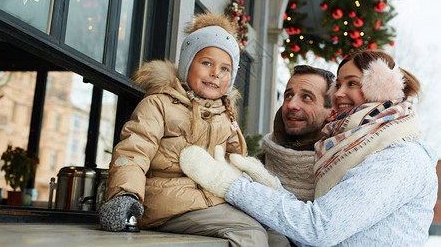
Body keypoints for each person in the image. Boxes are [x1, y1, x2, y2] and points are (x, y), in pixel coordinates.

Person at [180, 50, 438, 246]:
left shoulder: (398, 157)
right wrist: (269, 186)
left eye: (353, 83)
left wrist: (232, 186)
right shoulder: (350, 148)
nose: (338, 94)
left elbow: (319, 228)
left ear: (382, 88)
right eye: (339, 84)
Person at [98, 11, 290, 247]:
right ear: (188, 64)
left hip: (213, 200)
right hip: (168, 203)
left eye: (225, 69)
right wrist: (125, 194)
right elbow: (134, 151)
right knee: (251, 234)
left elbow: (234, 161)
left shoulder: (225, 113)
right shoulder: (160, 104)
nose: (215, 74)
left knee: (278, 234)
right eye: (207, 63)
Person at [259, 65, 335, 202]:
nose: (291, 105)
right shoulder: (257, 165)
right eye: (288, 95)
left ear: (331, 112)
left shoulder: (345, 168)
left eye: (306, 97)